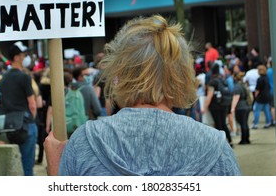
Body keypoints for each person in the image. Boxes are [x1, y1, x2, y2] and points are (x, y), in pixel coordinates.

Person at [44, 15, 241, 176]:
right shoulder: (215, 149)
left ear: (117, 75)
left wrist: (55, 171)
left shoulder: (84, 143)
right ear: (181, 76)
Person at [0, 41, 37, 176]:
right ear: (16, 57)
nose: (24, 57)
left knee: (13, 166)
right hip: (26, 124)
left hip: (9, 125)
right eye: (23, 55)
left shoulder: (3, 78)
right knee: (27, 166)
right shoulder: (24, 77)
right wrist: (33, 119)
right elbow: (32, 103)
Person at [202, 63, 234, 147]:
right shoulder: (223, 79)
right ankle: (230, 141)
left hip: (215, 106)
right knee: (223, 123)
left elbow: (210, 95)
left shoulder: (212, 81)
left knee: (218, 124)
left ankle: (221, 144)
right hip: (224, 104)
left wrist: (204, 107)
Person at [230, 72, 251, 144]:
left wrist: (232, 108)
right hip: (246, 105)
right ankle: (247, 138)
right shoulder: (243, 85)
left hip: (240, 107)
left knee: (242, 123)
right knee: (245, 123)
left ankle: (243, 140)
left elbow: (236, 98)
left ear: (235, 77)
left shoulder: (237, 86)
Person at [251, 64, 272, 129]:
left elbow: (257, 89)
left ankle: (255, 124)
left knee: (257, 110)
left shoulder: (259, 79)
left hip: (261, 97)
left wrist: (255, 96)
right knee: (267, 110)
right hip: (267, 96)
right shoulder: (267, 78)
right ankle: (268, 122)